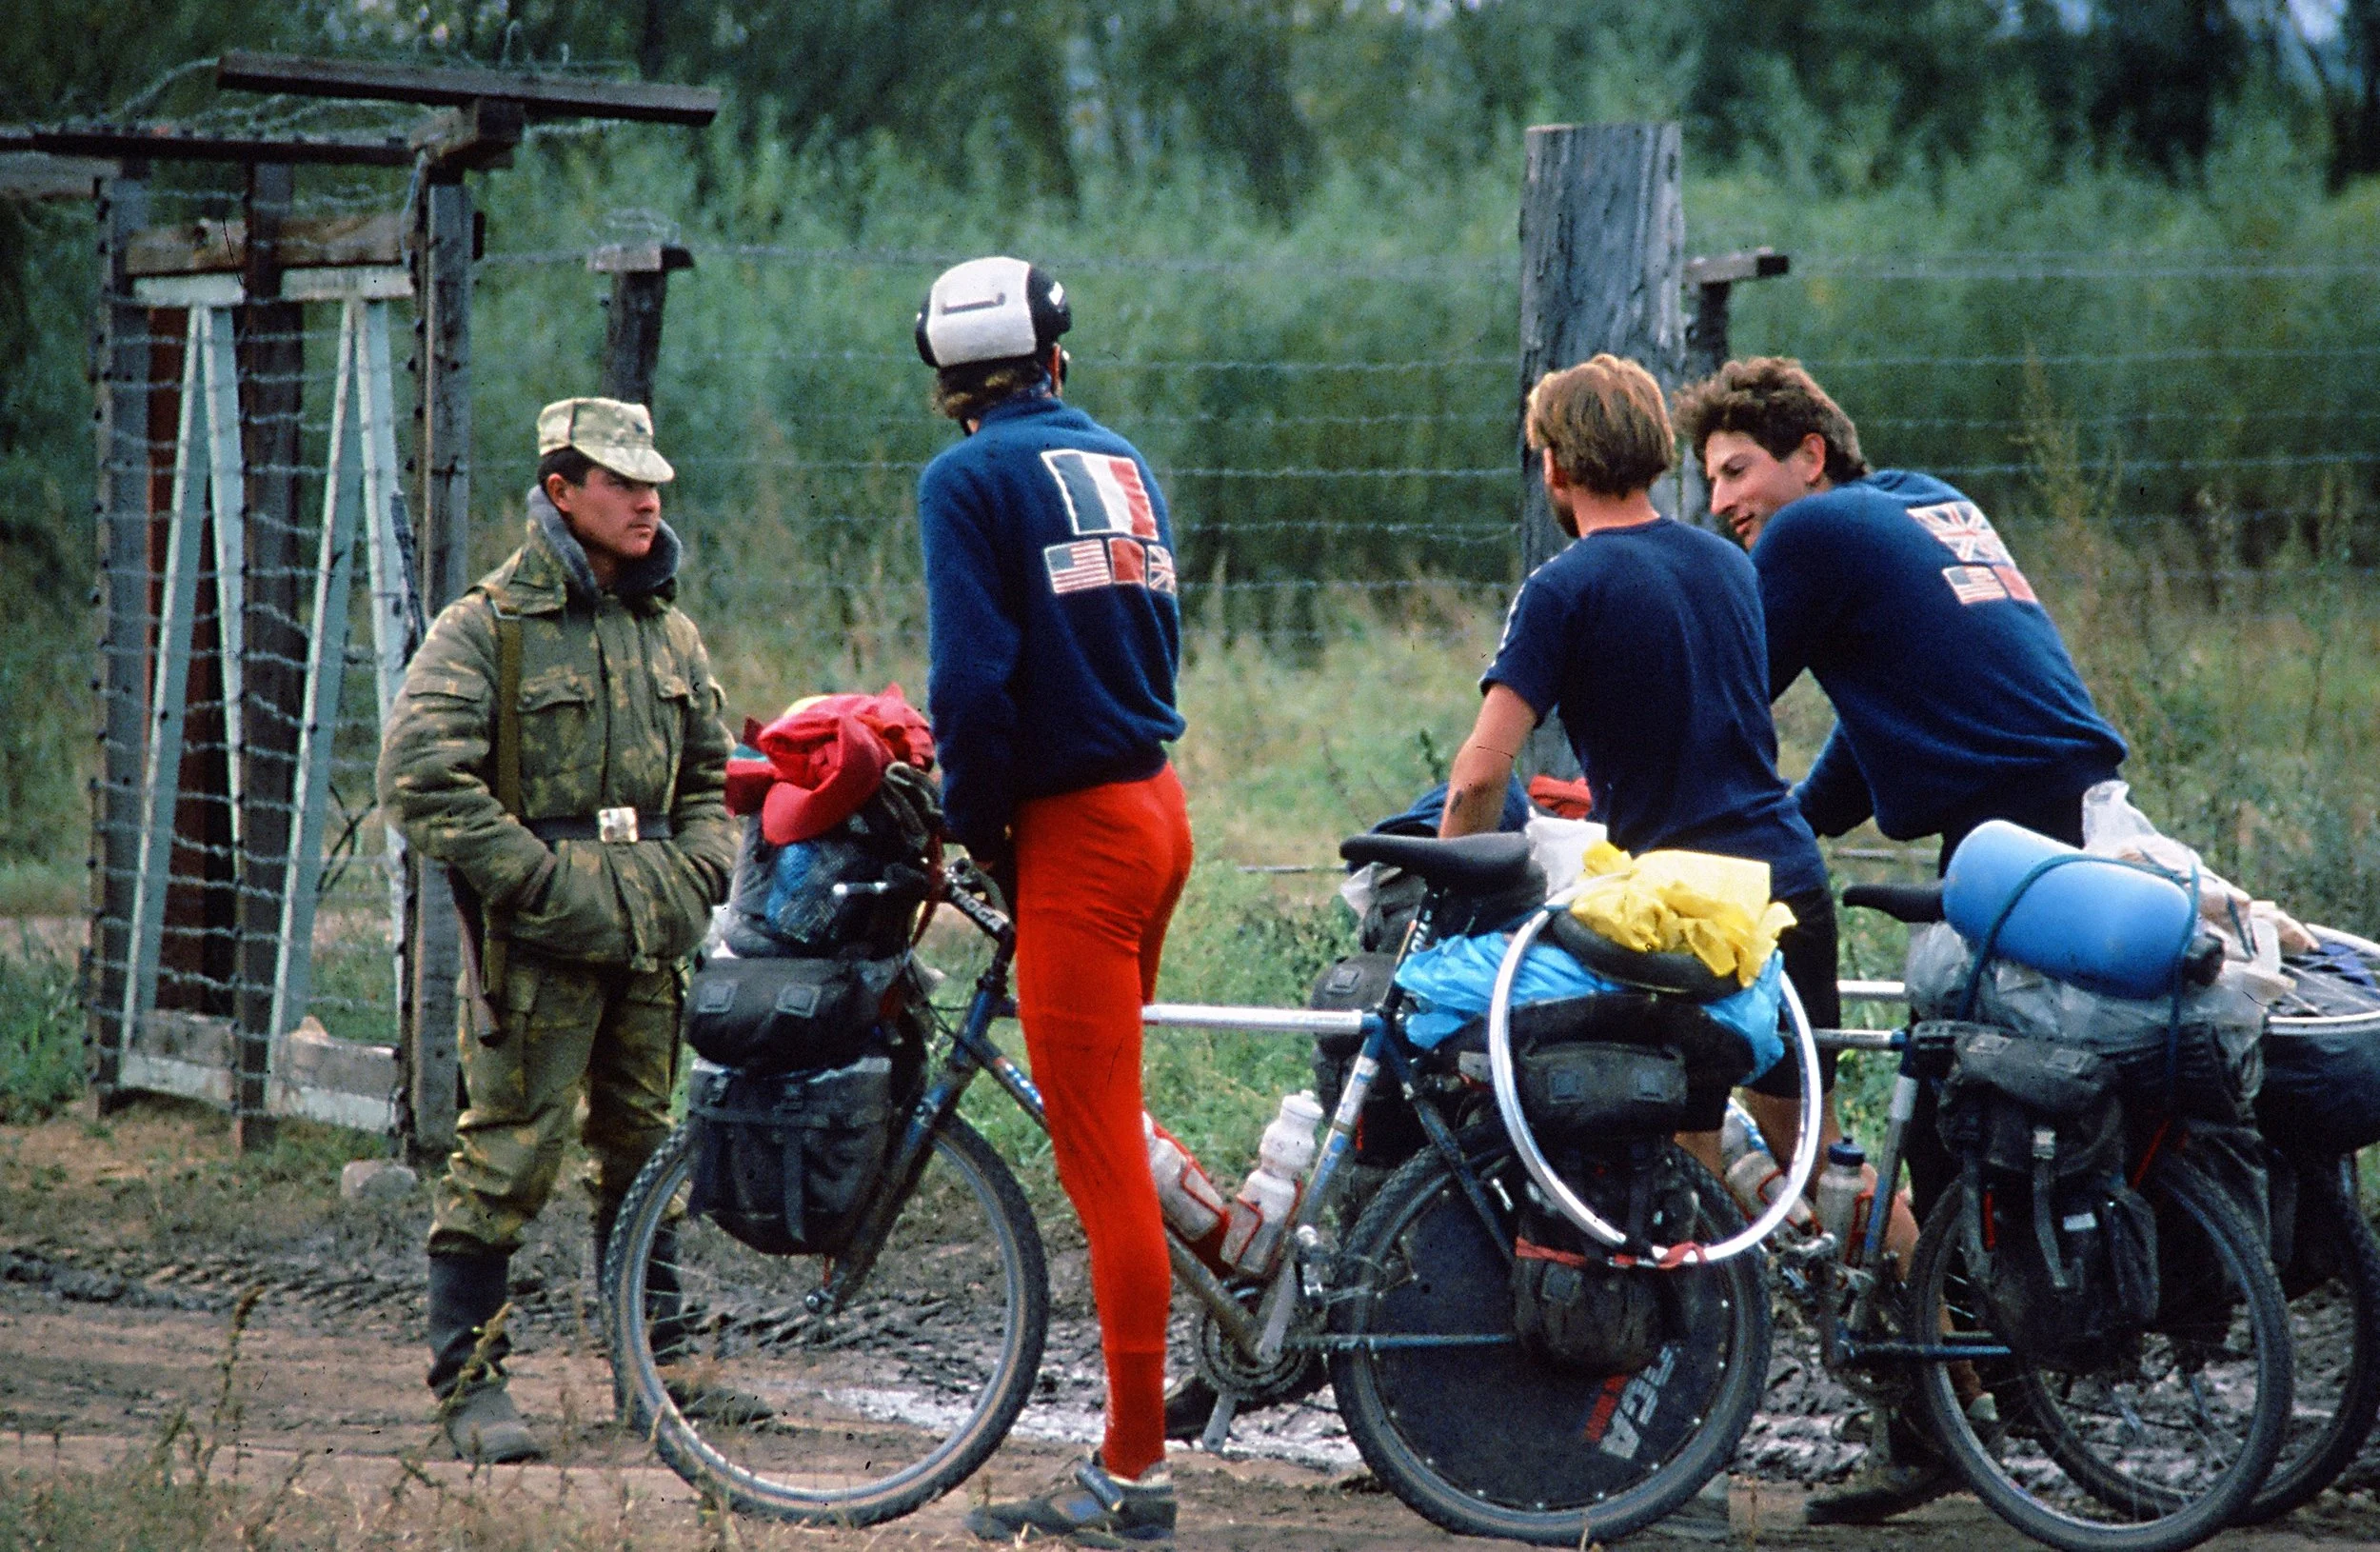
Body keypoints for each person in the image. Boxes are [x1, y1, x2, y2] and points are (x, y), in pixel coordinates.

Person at [1673, 356, 2128, 1522]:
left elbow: (1729, 695)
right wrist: (1797, 820)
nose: (1721, 501)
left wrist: (1693, 807)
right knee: (1953, 1099)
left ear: (1809, 456)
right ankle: (1963, 1392)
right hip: (2069, 810)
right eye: (1710, 480)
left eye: (1737, 470)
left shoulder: (1810, 534)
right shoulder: (1920, 502)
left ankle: (1967, 1388)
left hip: (2010, 833)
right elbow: (1883, 713)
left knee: (1961, 1106)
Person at [377, 397, 736, 1463]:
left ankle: (658, 1372)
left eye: (652, 482)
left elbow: (710, 773)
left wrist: (701, 869)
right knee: (508, 1155)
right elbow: (420, 776)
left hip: (651, 932)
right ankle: (470, 1382)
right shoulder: (487, 628)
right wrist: (534, 882)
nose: (646, 500)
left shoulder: (667, 629)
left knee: (645, 1150)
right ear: (561, 491)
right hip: (536, 949)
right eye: (620, 482)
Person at [913, 256, 1193, 1547]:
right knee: (1113, 1109)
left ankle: (1132, 1472)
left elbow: (972, 683)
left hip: (1077, 835)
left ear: (947, 384)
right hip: (1156, 806)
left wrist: (971, 823)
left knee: (1098, 1161)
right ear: (1055, 361)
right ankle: (1231, 1280)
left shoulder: (965, 479)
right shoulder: (1118, 458)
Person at [1438, 354, 1835, 1179]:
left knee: (1681, 1164)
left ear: (1554, 464)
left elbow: (1479, 775)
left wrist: (1451, 891)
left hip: (1683, 916)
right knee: (1823, 1159)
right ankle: (1917, 1268)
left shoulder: (1563, 587)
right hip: (1784, 887)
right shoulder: (1729, 564)